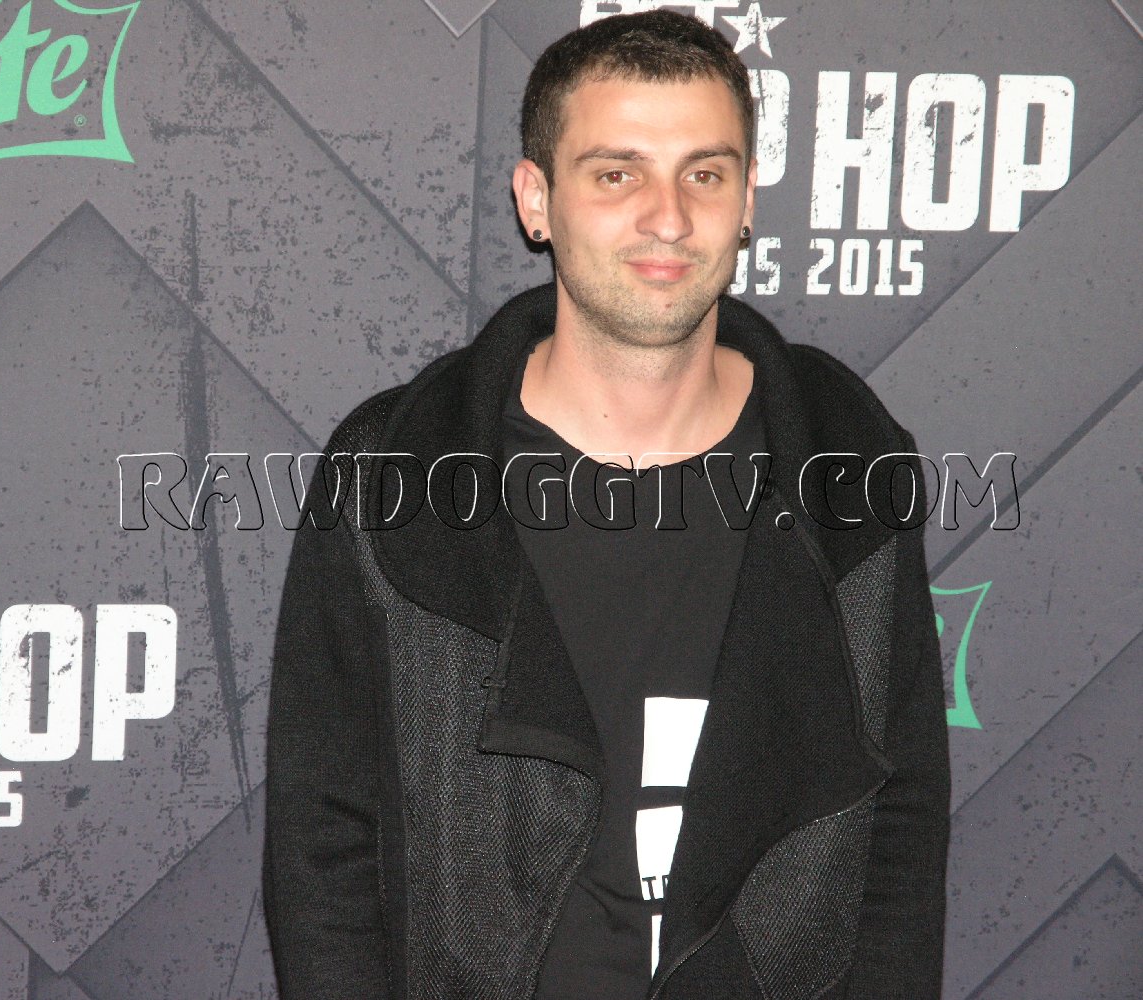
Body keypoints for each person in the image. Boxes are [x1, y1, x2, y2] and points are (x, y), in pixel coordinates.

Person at [263, 10, 949, 1000]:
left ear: (746, 201)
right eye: (617, 174)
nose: (667, 217)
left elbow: (897, 827)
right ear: (536, 200)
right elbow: (323, 843)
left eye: (703, 174)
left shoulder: (849, 465)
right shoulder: (393, 474)